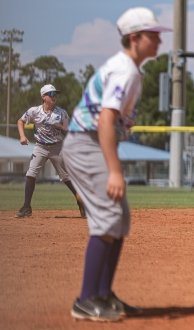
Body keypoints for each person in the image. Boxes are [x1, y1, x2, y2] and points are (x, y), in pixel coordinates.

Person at [62, 7, 171, 322]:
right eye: (153, 35)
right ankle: (85, 299)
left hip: (91, 142)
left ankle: (103, 294)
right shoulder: (125, 69)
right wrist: (113, 170)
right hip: (86, 142)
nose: (158, 41)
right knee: (109, 216)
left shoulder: (132, 69)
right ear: (134, 38)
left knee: (119, 218)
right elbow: (106, 119)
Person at [15, 84, 85, 219]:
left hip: (57, 147)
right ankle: (26, 207)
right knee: (31, 173)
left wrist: (58, 125)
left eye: (55, 94)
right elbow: (20, 121)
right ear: (43, 97)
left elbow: (67, 129)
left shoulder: (61, 112)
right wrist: (22, 136)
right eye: (51, 94)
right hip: (40, 146)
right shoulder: (34, 111)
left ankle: (81, 202)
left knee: (66, 177)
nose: (54, 96)